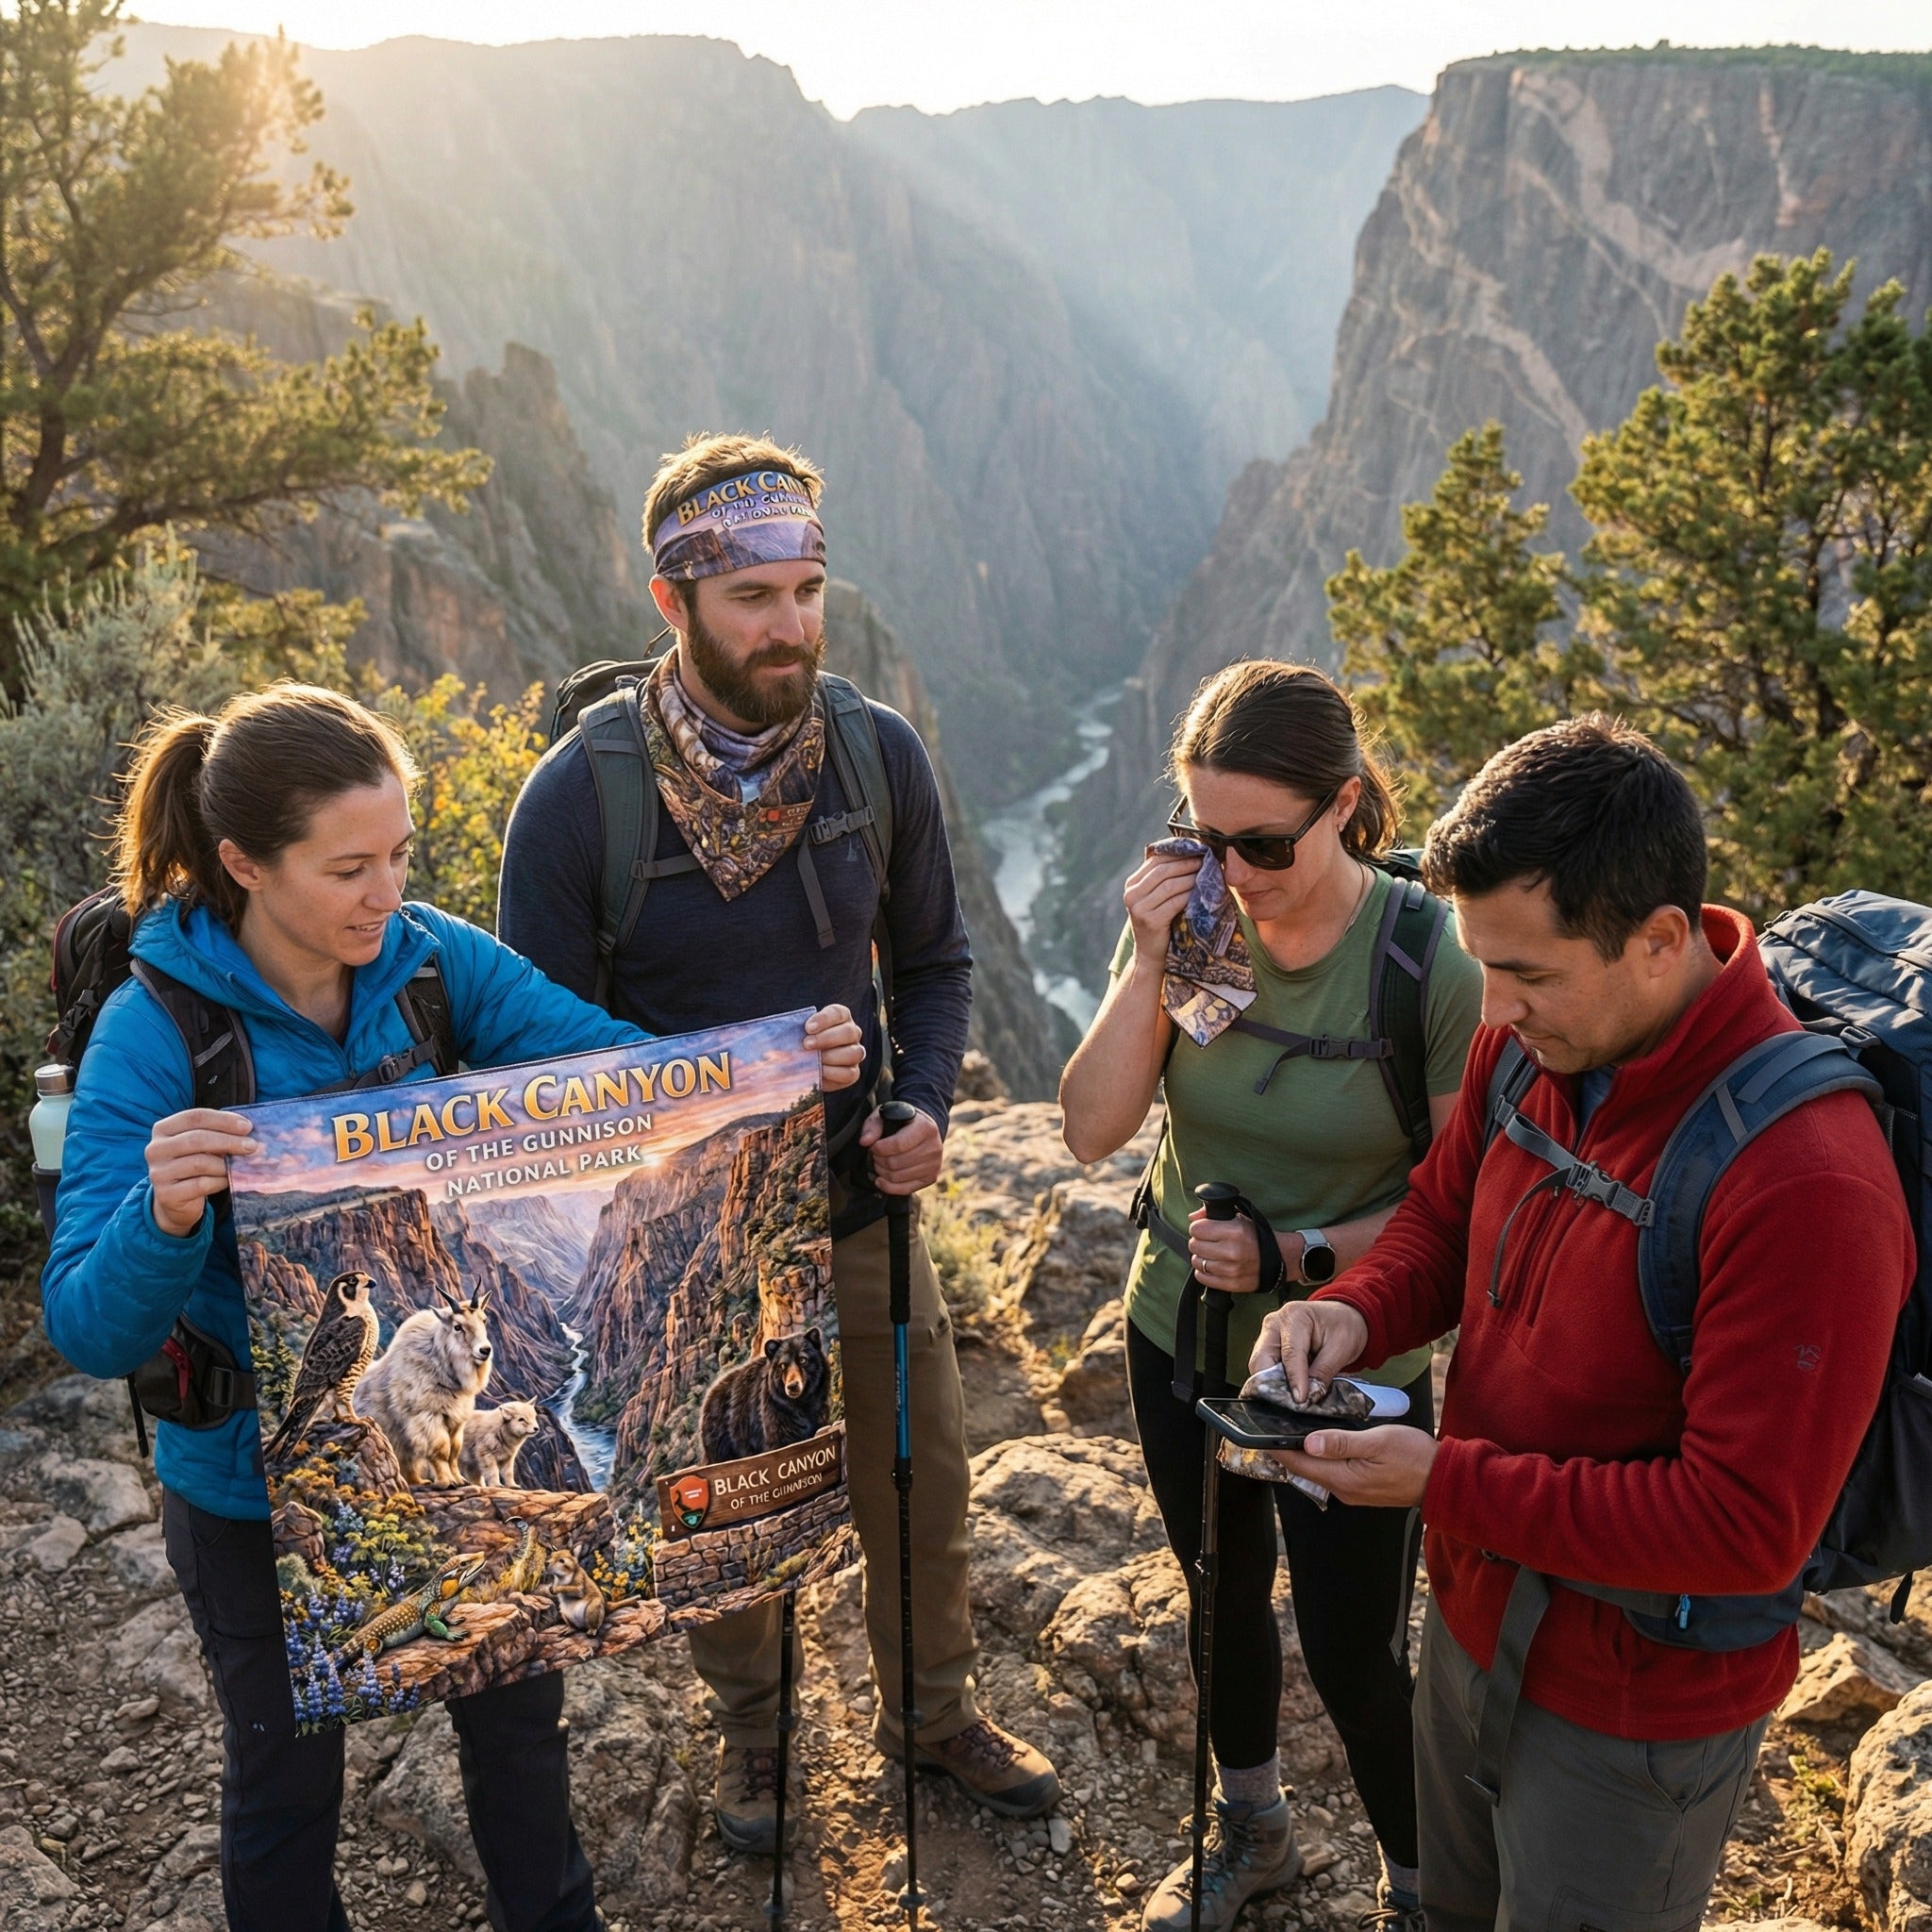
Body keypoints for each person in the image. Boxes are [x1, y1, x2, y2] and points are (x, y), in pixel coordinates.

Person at [39, 682, 866, 1932]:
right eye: (349, 867)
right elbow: (87, 1327)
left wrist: (777, 1069)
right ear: (242, 864)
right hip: (248, 1489)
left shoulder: (428, 960)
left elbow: (616, 1076)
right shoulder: (151, 1038)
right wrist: (161, 1215)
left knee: (521, 1731)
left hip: (442, 1463)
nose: (387, 893)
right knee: (285, 1783)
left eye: (401, 856)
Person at [1253, 716, 1912, 1932]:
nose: (1491, 1009)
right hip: (1472, 1613)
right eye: (1479, 964)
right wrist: (1347, 1311)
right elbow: (1443, 1221)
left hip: (1635, 1708)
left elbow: (1747, 1527)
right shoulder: (1535, 1046)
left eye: (1529, 974)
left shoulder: (1808, 1181)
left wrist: (1442, 1482)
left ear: (1661, 941)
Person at [497, 434, 1060, 1854]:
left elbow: (931, 965)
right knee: (726, 1505)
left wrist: (921, 1103)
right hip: (685, 1244)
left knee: (919, 1477)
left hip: (864, 1204)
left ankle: (931, 1714)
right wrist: (716, 1094)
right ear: (669, 598)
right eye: (754, 595)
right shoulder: (580, 803)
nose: (793, 626)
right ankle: (759, 1742)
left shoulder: (876, 758)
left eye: (808, 588)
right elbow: (533, 1063)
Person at [1058, 661, 1484, 1932]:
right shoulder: (1198, 928)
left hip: (1351, 1357)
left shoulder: (1427, 964)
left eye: (1262, 840)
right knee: (1219, 1593)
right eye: (1202, 835)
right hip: (1178, 1328)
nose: (1231, 867)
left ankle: (1425, 1891)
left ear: (1345, 807)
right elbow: (1090, 1128)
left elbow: (1460, 1209)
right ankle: (1256, 1832)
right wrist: (1147, 960)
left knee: (1357, 1654)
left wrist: (1300, 1254)